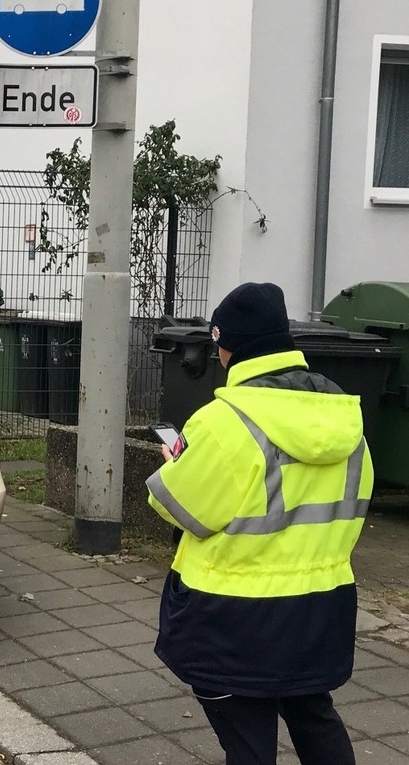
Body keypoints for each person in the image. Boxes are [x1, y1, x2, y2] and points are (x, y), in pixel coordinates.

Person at [145, 282, 372, 765]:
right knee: (314, 715)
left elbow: (180, 508)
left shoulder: (224, 421)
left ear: (227, 347)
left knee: (247, 740)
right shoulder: (345, 417)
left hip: (234, 619)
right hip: (320, 610)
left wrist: (175, 464)